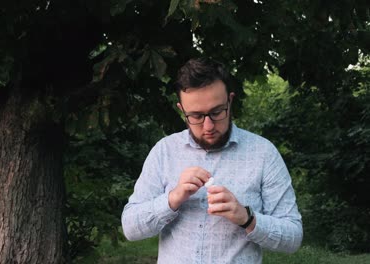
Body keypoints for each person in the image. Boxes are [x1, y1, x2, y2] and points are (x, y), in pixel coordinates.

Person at [121, 58, 303, 263]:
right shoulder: (165, 151)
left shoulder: (263, 153)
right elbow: (130, 228)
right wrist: (172, 198)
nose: (208, 126)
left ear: (230, 101)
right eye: (196, 116)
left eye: (217, 112)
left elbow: (293, 237)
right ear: (182, 110)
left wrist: (247, 219)